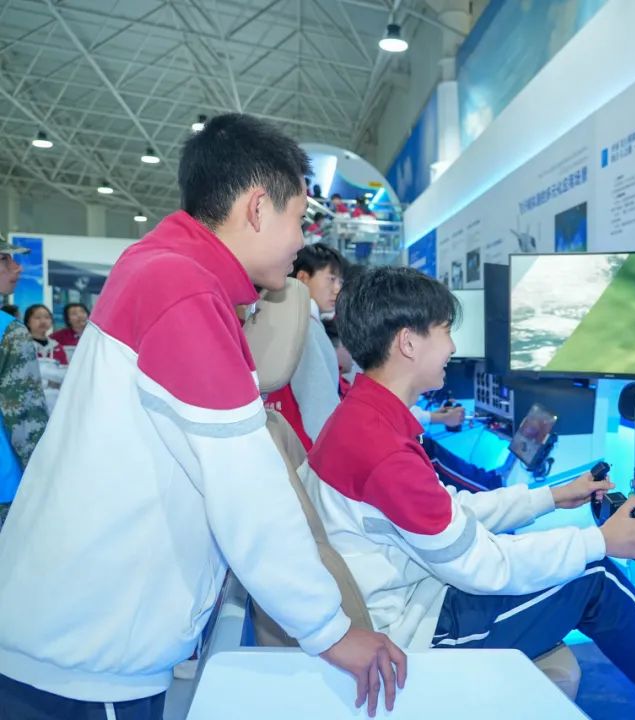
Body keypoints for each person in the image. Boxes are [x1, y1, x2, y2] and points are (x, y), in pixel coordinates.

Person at [0, 114, 405, 719]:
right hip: (90, 657)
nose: (300, 241)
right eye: (299, 219)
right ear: (258, 207)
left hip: (69, 629)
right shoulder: (184, 293)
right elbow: (247, 490)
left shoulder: (157, 268)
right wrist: (332, 629)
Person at [301, 267, 635, 719]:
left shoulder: (364, 420)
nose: (453, 347)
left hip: (418, 598)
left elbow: (450, 512)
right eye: (444, 331)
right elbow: (483, 566)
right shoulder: (383, 451)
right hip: (421, 631)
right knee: (594, 576)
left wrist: (550, 497)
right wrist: (600, 541)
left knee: (583, 563)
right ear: (408, 342)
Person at [265, 244, 346, 449]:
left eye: (340, 281)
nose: (337, 289)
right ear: (303, 278)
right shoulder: (305, 326)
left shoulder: (281, 318)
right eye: (331, 279)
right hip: (307, 447)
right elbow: (318, 403)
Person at [0, 238, 49, 532]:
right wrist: (45, 474)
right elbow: (25, 418)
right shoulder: (9, 332)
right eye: (4, 259)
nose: (16, 267)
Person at [23, 304, 67, 413]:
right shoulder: (21, 346)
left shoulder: (57, 346)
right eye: (37, 317)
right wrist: (48, 383)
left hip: (55, 403)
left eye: (47, 317)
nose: (43, 321)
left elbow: (65, 375)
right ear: (28, 322)